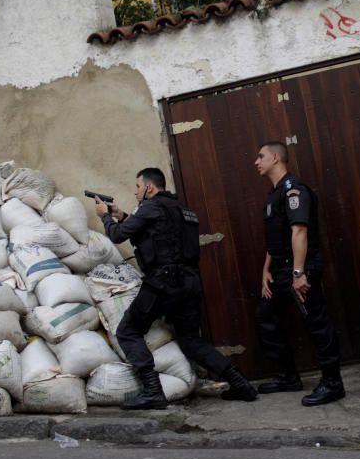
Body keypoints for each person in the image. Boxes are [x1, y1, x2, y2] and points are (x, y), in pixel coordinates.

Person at [95, 168, 258, 410]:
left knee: (128, 330)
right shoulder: (183, 210)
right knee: (191, 340)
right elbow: (157, 231)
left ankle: (152, 391)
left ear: (149, 187)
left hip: (163, 282)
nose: (135, 191)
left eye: (138, 186)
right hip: (189, 282)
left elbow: (118, 236)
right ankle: (240, 382)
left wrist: (105, 217)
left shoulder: (150, 207)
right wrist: (123, 215)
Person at [254, 142, 344, 406]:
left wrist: (298, 272)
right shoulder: (274, 195)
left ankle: (332, 383)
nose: (256, 162)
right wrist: (265, 270)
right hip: (279, 271)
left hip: (299, 270)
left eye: (260, 156)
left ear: (275, 158)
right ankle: (287, 377)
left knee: (317, 324)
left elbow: (299, 231)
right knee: (266, 319)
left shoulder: (294, 190)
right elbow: (276, 237)